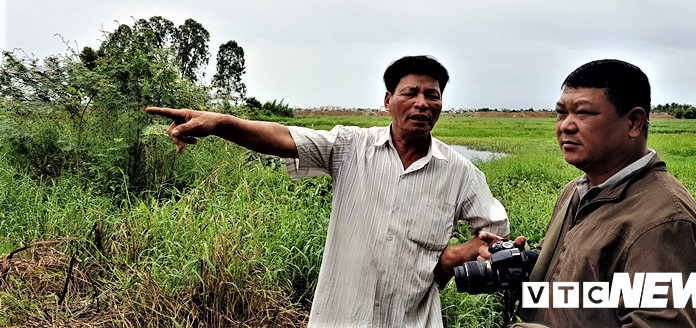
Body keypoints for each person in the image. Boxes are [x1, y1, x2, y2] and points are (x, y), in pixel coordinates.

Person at [146, 55, 510, 328]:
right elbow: (284, 137)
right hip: (339, 317)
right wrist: (220, 122)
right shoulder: (351, 146)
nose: (421, 103)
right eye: (410, 92)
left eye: (432, 95)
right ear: (388, 100)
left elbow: (494, 234)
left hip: (410, 320)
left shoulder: (460, 172)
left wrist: (454, 257)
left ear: (441, 104)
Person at [508, 59, 696, 328]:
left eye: (583, 113)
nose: (566, 126)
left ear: (633, 122)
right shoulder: (576, 191)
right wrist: (523, 263)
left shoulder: (666, 221)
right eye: (561, 113)